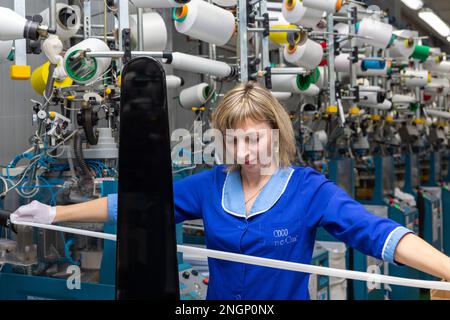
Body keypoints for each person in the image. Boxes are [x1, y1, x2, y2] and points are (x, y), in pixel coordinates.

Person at [11, 82, 450, 300]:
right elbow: (136, 206)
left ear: (276, 134)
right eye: (233, 140)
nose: (243, 151)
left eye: (254, 139)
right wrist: (54, 216)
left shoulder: (309, 190)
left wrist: (446, 269)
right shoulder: (211, 186)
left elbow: (377, 234)